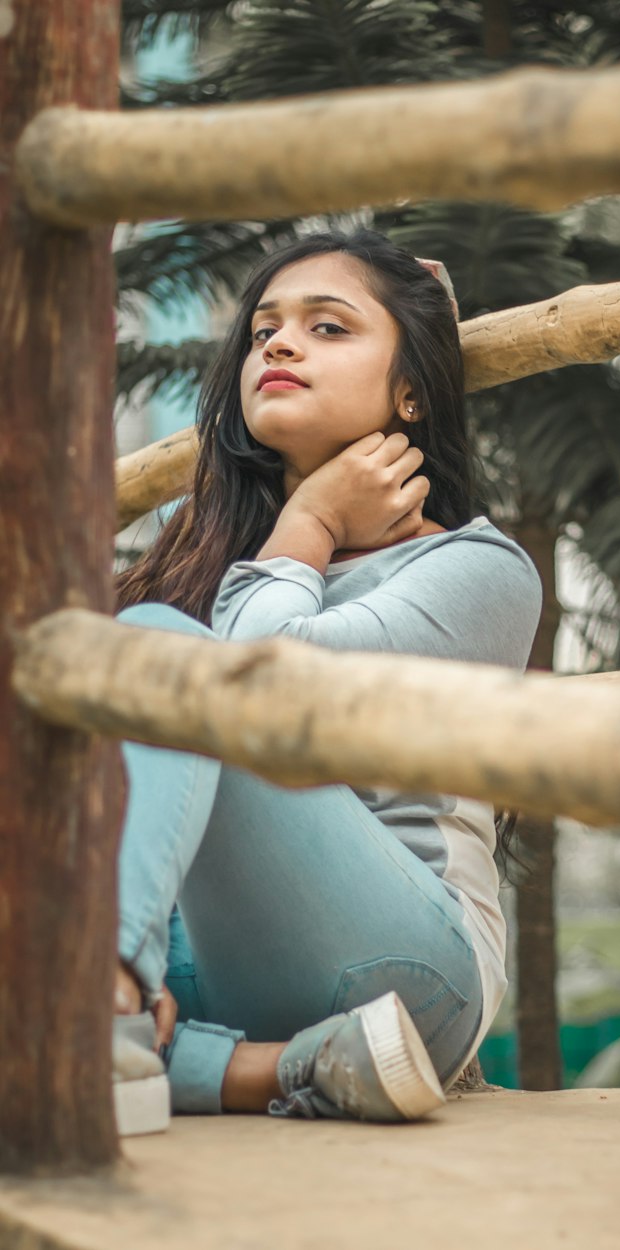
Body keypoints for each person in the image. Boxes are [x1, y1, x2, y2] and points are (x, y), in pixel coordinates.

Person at [110, 229, 542, 1134]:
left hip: (406, 973)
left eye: (329, 327)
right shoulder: (206, 565)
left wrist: (308, 519)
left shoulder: (479, 571)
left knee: (156, 653)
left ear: (412, 391)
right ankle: (271, 1067)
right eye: (264, 328)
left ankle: (103, 1008)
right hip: (214, 967)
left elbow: (265, 701)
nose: (277, 343)